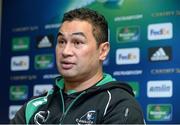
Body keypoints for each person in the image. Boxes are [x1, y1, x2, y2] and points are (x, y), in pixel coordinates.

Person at [11, 7, 145, 124]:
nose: (65, 51)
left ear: (103, 51)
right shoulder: (34, 107)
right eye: (62, 41)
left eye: (77, 42)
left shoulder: (119, 105)